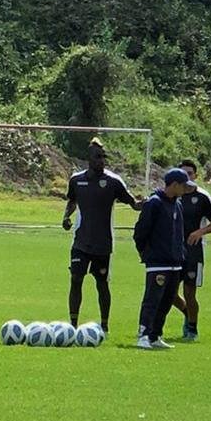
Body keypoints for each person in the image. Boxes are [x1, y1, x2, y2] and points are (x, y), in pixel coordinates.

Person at [61, 139, 143, 333]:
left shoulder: (114, 182)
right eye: (98, 157)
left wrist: (143, 204)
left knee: (102, 283)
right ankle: (73, 325)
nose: (102, 161)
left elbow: (132, 202)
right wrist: (66, 217)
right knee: (76, 279)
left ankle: (104, 326)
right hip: (81, 241)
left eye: (103, 157)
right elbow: (72, 201)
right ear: (88, 158)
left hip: (102, 243)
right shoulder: (76, 180)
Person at [133, 169, 195, 349]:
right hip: (157, 262)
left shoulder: (177, 204)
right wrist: (146, 253)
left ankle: (155, 335)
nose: (185, 189)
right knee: (152, 299)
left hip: (175, 262)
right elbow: (140, 232)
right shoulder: (154, 203)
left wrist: (180, 253)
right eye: (183, 186)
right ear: (174, 185)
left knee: (167, 299)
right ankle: (143, 334)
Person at [170, 160, 211, 341]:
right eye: (183, 173)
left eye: (190, 173)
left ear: (195, 176)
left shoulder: (202, 197)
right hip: (173, 251)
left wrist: (200, 231)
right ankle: (187, 313)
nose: (186, 177)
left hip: (193, 252)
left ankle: (192, 328)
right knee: (170, 293)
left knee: (190, 293)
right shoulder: (174, 194)